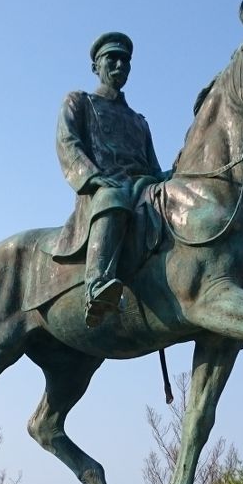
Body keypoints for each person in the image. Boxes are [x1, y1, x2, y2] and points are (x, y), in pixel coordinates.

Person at [52, 32, 164, 327]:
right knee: (113, 197)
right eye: (111, 58)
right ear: (95, 67)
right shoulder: (80, 102)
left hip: (142, 189)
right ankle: (97, 284)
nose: (119, 64)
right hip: (102, 191)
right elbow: (68, 143)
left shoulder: (139, 121)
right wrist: (94, 178)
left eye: (125, 60)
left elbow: (153, 167)